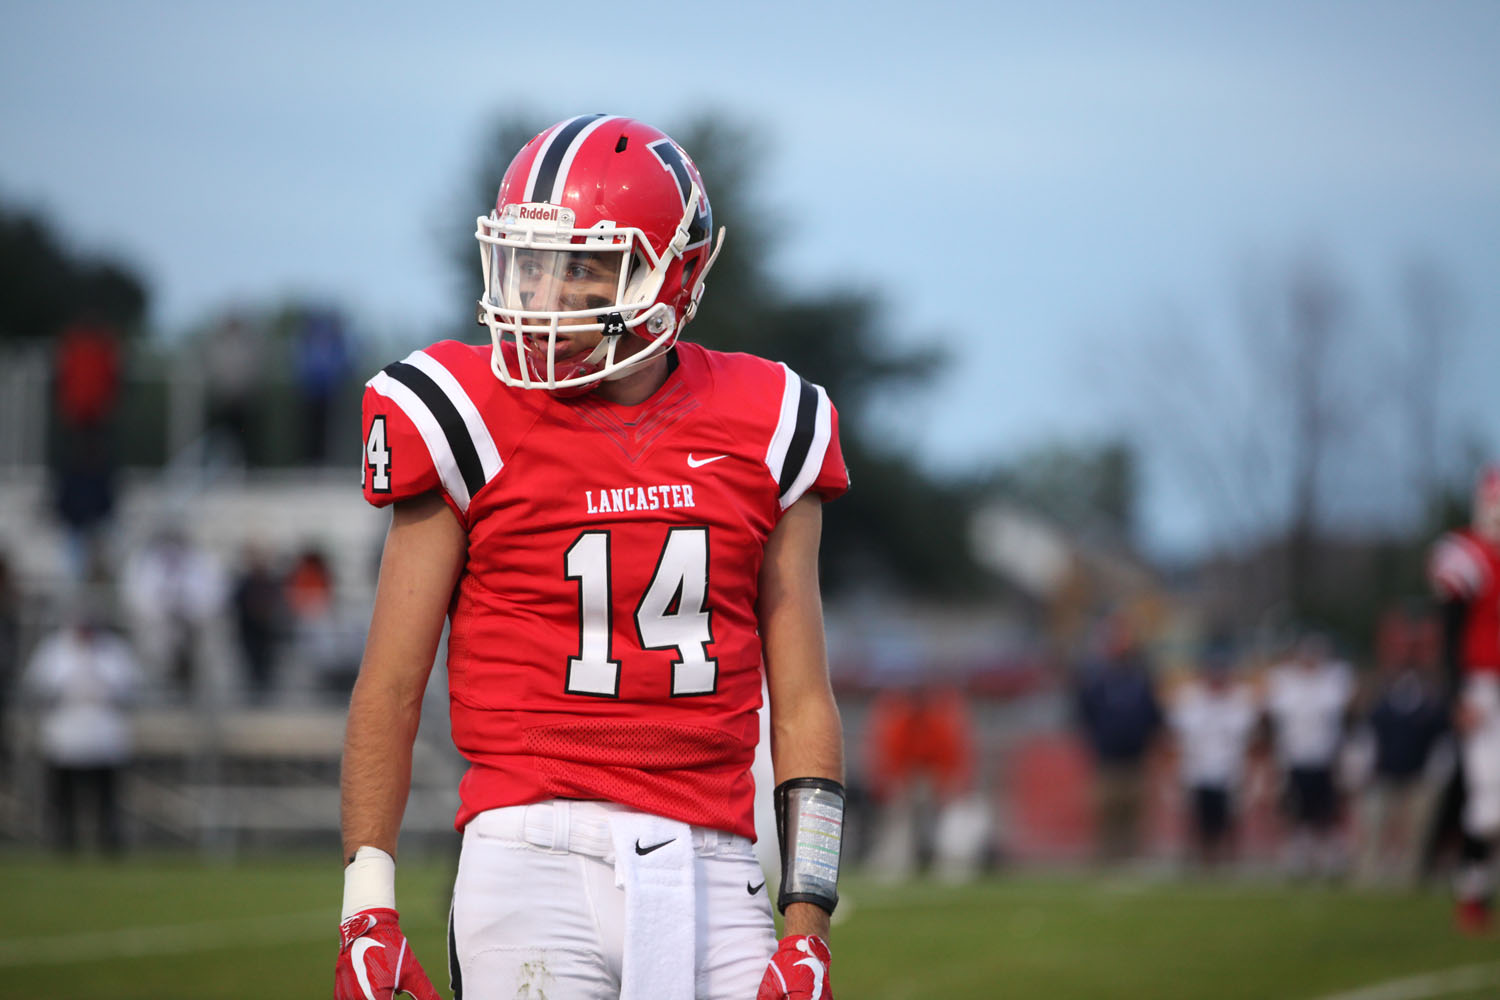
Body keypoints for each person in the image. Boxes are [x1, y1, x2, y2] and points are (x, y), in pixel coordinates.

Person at [335, 116, 849, 1000]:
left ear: (671, 274)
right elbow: (388, 683)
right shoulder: (460, 412)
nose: (541, 292)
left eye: (579, 265)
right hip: (529, 857)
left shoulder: (771, 419)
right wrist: (366, 910)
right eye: (528, 261)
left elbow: (802, 697)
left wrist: (808, 924)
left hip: (716, 867)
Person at [1428, 464, 1500, 933]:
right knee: (1490, 801)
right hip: (1483, 686)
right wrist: (1457, 692)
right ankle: (1472, 894)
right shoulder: (1466, 554)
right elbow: (1451, 630)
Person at [21, 602, 142, 853]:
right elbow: (39, 687)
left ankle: (109, 843)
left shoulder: (114, 650)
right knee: (63, 796)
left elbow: (129, 687)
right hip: (65, 733)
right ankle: (64, 843)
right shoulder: (54, 649)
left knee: (106, 796)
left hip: (104, 733)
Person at [1073, 614, 1164, 865]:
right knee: (1107, 818)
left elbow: (1153, 715)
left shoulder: (1141, 678)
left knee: (1134, 819)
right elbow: (1085, 714)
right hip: (1107, 760)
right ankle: (1106, 862)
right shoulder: (1097, 680)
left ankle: (1133, 861)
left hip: (1135, 760)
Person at [1265, 632, 1356, 880]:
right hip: (1294, 758)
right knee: (1297, 813)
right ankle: (1300, 860)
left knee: (1327, 812)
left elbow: (1347, 711)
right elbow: (1271, 716)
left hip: (1326, 758)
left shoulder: (1334, 680)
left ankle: (1332, 860)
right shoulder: (1285, 681)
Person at [1167, 644, 1260, 871]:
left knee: (1228, 821)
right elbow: (1174, 738)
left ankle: (1228, 864)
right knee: (1198, 821)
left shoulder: (1241, 699)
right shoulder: (1189, 698)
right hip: (1197, 770)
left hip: (1230, 770)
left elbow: (1253, 740)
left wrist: (1252, 771)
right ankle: (1201, 863)